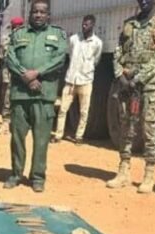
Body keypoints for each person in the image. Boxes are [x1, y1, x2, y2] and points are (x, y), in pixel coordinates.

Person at [106, 0, 155, 193]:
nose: (143, 1)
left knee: (148, 128)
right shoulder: (129, 24)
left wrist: (139, 78)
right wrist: (120, 75)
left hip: (149, 85)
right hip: (127, 84)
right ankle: (123, 170)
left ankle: (148, 174)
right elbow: (118, 51)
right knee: (126, 126)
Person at [4, 0, 67, 193]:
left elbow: (59, 59)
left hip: (43, 96)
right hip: (20, 95)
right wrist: (26, 77)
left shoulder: (58, 35)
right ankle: (16, 174)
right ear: (30, 14)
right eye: (35, 12)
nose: (38, 15)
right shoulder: (19, 34)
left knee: (41, 140)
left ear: (48, 15)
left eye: (42, 12)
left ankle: (38, 177)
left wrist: (37, 73)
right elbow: (10, 58)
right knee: (17, 138)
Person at [51, 14, 102, 145]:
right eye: (83, 24)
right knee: (63, 109)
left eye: (87, 24)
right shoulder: (74, 39)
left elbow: (96, 60)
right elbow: (70, 54)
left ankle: (79, 136)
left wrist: (87, 69)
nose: (84, 26)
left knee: (84, 111)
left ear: (93, 25)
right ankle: (58, 135)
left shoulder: (97, 43)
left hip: (86, 81)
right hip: (71, 81)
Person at [0, 16, 24, 135]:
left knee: (19, 99)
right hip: (8, 74)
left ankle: (17, 125)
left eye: (17, 27)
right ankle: (5, 124)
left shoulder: (26, 39)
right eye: (14, 27)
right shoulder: (6, 39)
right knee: (6, 99)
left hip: (21, 75)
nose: (15, 29)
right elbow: (4, 56)